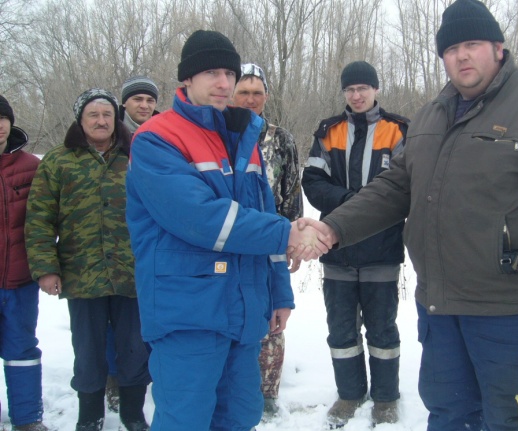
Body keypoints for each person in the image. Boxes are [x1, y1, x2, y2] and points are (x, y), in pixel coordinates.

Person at [295, 1, 518, 429]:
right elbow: (395, 188)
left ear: (498, 48)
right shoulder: (432, 115)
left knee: (511, 420)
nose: (462, 55)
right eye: (451, 49)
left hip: (513, 313)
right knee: (449, 415)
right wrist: (333, 228)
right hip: (441, 309)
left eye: (473, 44)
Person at [125, 29, 327, 431]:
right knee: (185, 420)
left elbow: (264, 212)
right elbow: (201, 218)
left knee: (239, 415)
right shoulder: (157, 139)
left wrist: (278, 292)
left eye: (229, 74)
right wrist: (288, 233)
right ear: (187, 78)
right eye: (211, 73)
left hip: (242, 308)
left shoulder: (241, 137)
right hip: (188, 312)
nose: (223, 83)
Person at [25, 89, 151, 431]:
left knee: (135, 348)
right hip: (81, 275)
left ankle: (133, 415)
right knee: (88, 352)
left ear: (116, 118)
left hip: (132, 274)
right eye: (93, 115)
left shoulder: (137, 155)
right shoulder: (59, 160)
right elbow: (39, 218)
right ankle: (90, 417)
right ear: (80, 121)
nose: (101, 121)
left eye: (107, 114)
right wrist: (46, 268)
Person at [301, 61, 408, 428]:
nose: (357, 95)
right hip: (337, 250)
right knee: (341, 329)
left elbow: (403, 187)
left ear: (376, 89)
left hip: (382, 248)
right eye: (350, 89)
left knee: (382, 329)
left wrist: (367, 212)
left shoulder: (398, 130)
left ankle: (386, 398)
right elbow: (313, 181)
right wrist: (352, 204)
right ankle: (349, 394)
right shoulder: (328, 131)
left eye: (363, 88)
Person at [232, 62, 303, 420]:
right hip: (230, 239)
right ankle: (235, 387)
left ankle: (268, 392)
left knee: (273, 314)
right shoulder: (221, 136)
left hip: (271, 241)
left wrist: (293, 238)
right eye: (243, 92)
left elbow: (291, 191)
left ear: (266, 96)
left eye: (256, 93)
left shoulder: (280, 139)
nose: (250, 99)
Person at [101, 75, 160, 414]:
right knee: (115, 322)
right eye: (137, 99)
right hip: (115, 244)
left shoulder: (164, 134)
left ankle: (142, 377)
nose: (144, 105)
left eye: (150, 100)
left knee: (146, 317)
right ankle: (114, 378)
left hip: (153, 243)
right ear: (124, 104)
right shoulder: (111, 137)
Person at [0, 95, 48, 431]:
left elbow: (46, 218)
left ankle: (28, 419)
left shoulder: (31, 166)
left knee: (22, 349)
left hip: (19, 280)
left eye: (2, 118)